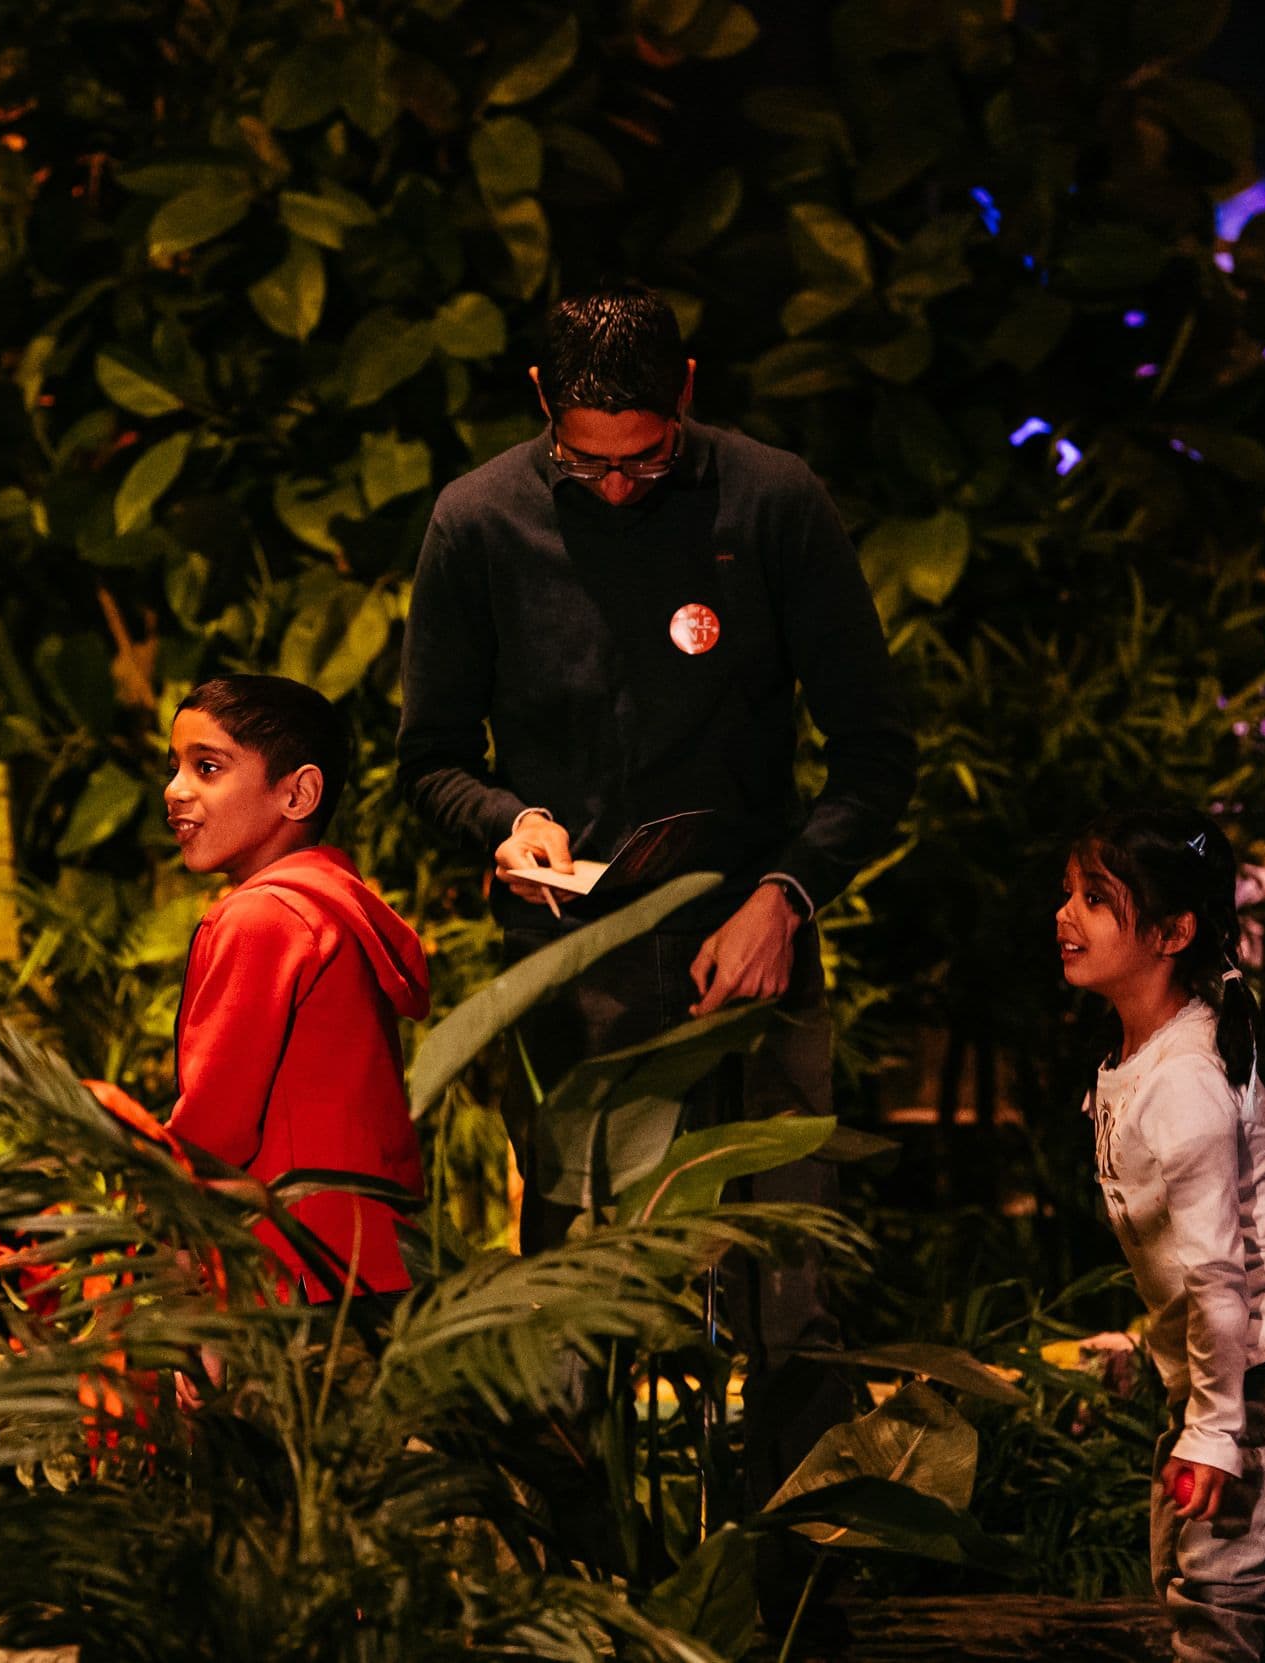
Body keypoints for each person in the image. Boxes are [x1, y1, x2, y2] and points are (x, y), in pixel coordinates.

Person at [396, 283, 915, 1517]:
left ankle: (794, 1572)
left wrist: (787, 892)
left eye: (646, 460)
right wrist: (505, 822)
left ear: (687, 392)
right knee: (576, 1284)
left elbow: (874, 755)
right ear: (541, 407)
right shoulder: (477, 522)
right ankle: (591, 1567)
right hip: (570, 960)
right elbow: (428, 758)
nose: (620, 485)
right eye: (590, 462)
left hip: (751, 945)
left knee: (787, 1276)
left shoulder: (771, 498)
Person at [1060, 809, 1265, 1663]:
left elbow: (1215, 1276)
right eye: (1069, 895)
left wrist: (1214, 1428)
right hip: (1240, 1358)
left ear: (1172, 931)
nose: (1064, 916)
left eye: (1094, 898)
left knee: (1215, 1588)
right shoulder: (1139, 1061)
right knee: (1202, 1578)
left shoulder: (1188, 1080)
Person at [160, 673, 431, 1306]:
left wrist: (173, 1242)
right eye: (174, 766)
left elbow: (217, 1125)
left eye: (207, 767)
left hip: (291, 1273)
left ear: (298, 793)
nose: (175, 790)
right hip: (369, 1262)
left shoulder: (262, 918)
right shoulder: (334, 905)